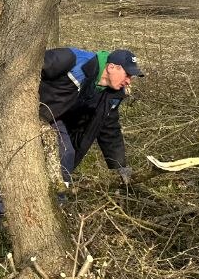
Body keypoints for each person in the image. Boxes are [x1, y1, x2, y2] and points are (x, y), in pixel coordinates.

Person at [39, 47, 144, 185]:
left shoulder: (112, 95)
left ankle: (56, 200)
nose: (129, 81)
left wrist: (120, 165)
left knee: (66, 156)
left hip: (58, 120)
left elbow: (109, 128)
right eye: (127, 75)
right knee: (65, 153)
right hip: (38, 111)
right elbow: (27, 67)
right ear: (112, 67)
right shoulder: (71, 60)